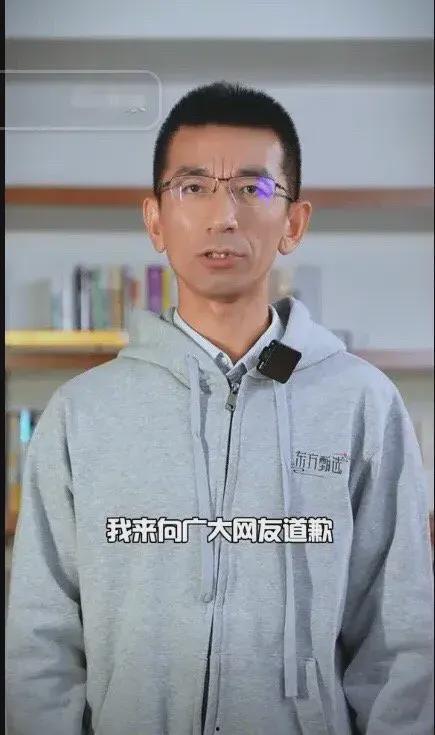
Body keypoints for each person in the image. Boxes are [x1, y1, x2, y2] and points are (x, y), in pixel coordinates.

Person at [5, 81, 434, 735]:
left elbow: (398, 642)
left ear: (294, 222)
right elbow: (41, 643)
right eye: (193, 187)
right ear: (155, 219)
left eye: (253, 188)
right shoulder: (80, 415)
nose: (223, 217)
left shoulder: (362, 404)